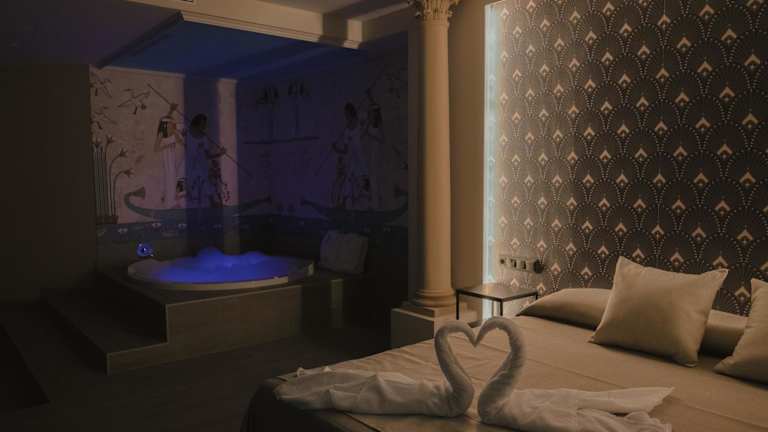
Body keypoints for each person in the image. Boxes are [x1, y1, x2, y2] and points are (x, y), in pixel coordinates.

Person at [154, 103, 185, 208]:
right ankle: (169, 203)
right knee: (168, 178)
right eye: (170, 124)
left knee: (174, 178)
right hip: (165, 159)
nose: (172, 125)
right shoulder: (161, 134)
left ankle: (174, 202)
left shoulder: (174, 133)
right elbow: (156, 149)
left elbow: (182, 143)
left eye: (172, 124)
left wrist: (180, 135)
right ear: (166, 125)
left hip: (172, 159)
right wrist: (167, 146)